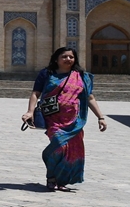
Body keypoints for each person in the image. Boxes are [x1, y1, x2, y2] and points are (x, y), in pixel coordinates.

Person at [21, 47, 107, 192]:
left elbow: (90, 97)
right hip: (53, 119)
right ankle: (51, 177)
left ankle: (60, 180)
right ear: (56, 59)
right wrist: (30, 111)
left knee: (72, 150)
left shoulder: (81, 76)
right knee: (59, 146)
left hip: (75, 121)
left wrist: (101, 117)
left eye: (71, 57)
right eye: (64, 57)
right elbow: (36, 93)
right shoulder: (47, 74)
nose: (68, 59)